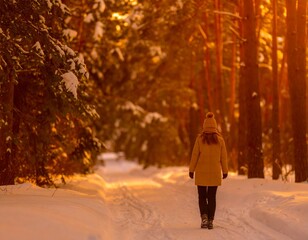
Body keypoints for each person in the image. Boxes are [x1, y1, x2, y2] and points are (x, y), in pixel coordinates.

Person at [189, 112, 228, 229]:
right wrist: (225, 171)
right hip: (215, 173)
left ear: (204, 126)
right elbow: (223, 157)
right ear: (215, 126)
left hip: (201, 172)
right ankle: (211, 220)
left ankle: (204, 217)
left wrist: (191, 170)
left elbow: (194, 155)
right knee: (212, 197)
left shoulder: (200, 139)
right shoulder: (220, 140)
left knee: (202, 196)